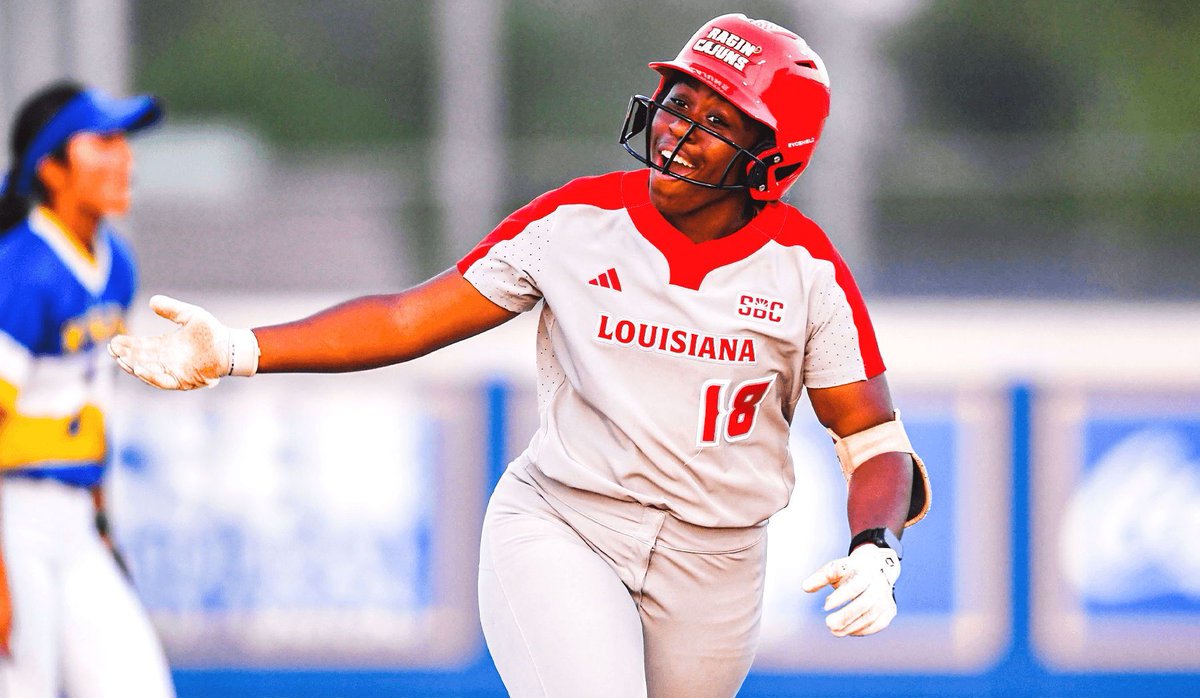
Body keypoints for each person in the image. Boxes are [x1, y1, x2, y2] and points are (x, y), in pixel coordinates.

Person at [109, 13, 931, 698]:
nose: (682, 130)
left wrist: (877, 550)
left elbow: (871, 441)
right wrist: (239, 349)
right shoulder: (576, 223)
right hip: (568, 520)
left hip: (717, 562)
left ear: (774, 160)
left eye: (720, 122)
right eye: (681, 102)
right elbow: (406, 318)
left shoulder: (807, 269)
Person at [0, 81, 175, 697]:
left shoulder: (113, 263)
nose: (124, 155)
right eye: (102, 141)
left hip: (75, 524)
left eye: (124, 140)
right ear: (51, 166)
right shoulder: (21, 269)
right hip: (11, 518)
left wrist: (102, 520)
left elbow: (92, 405)